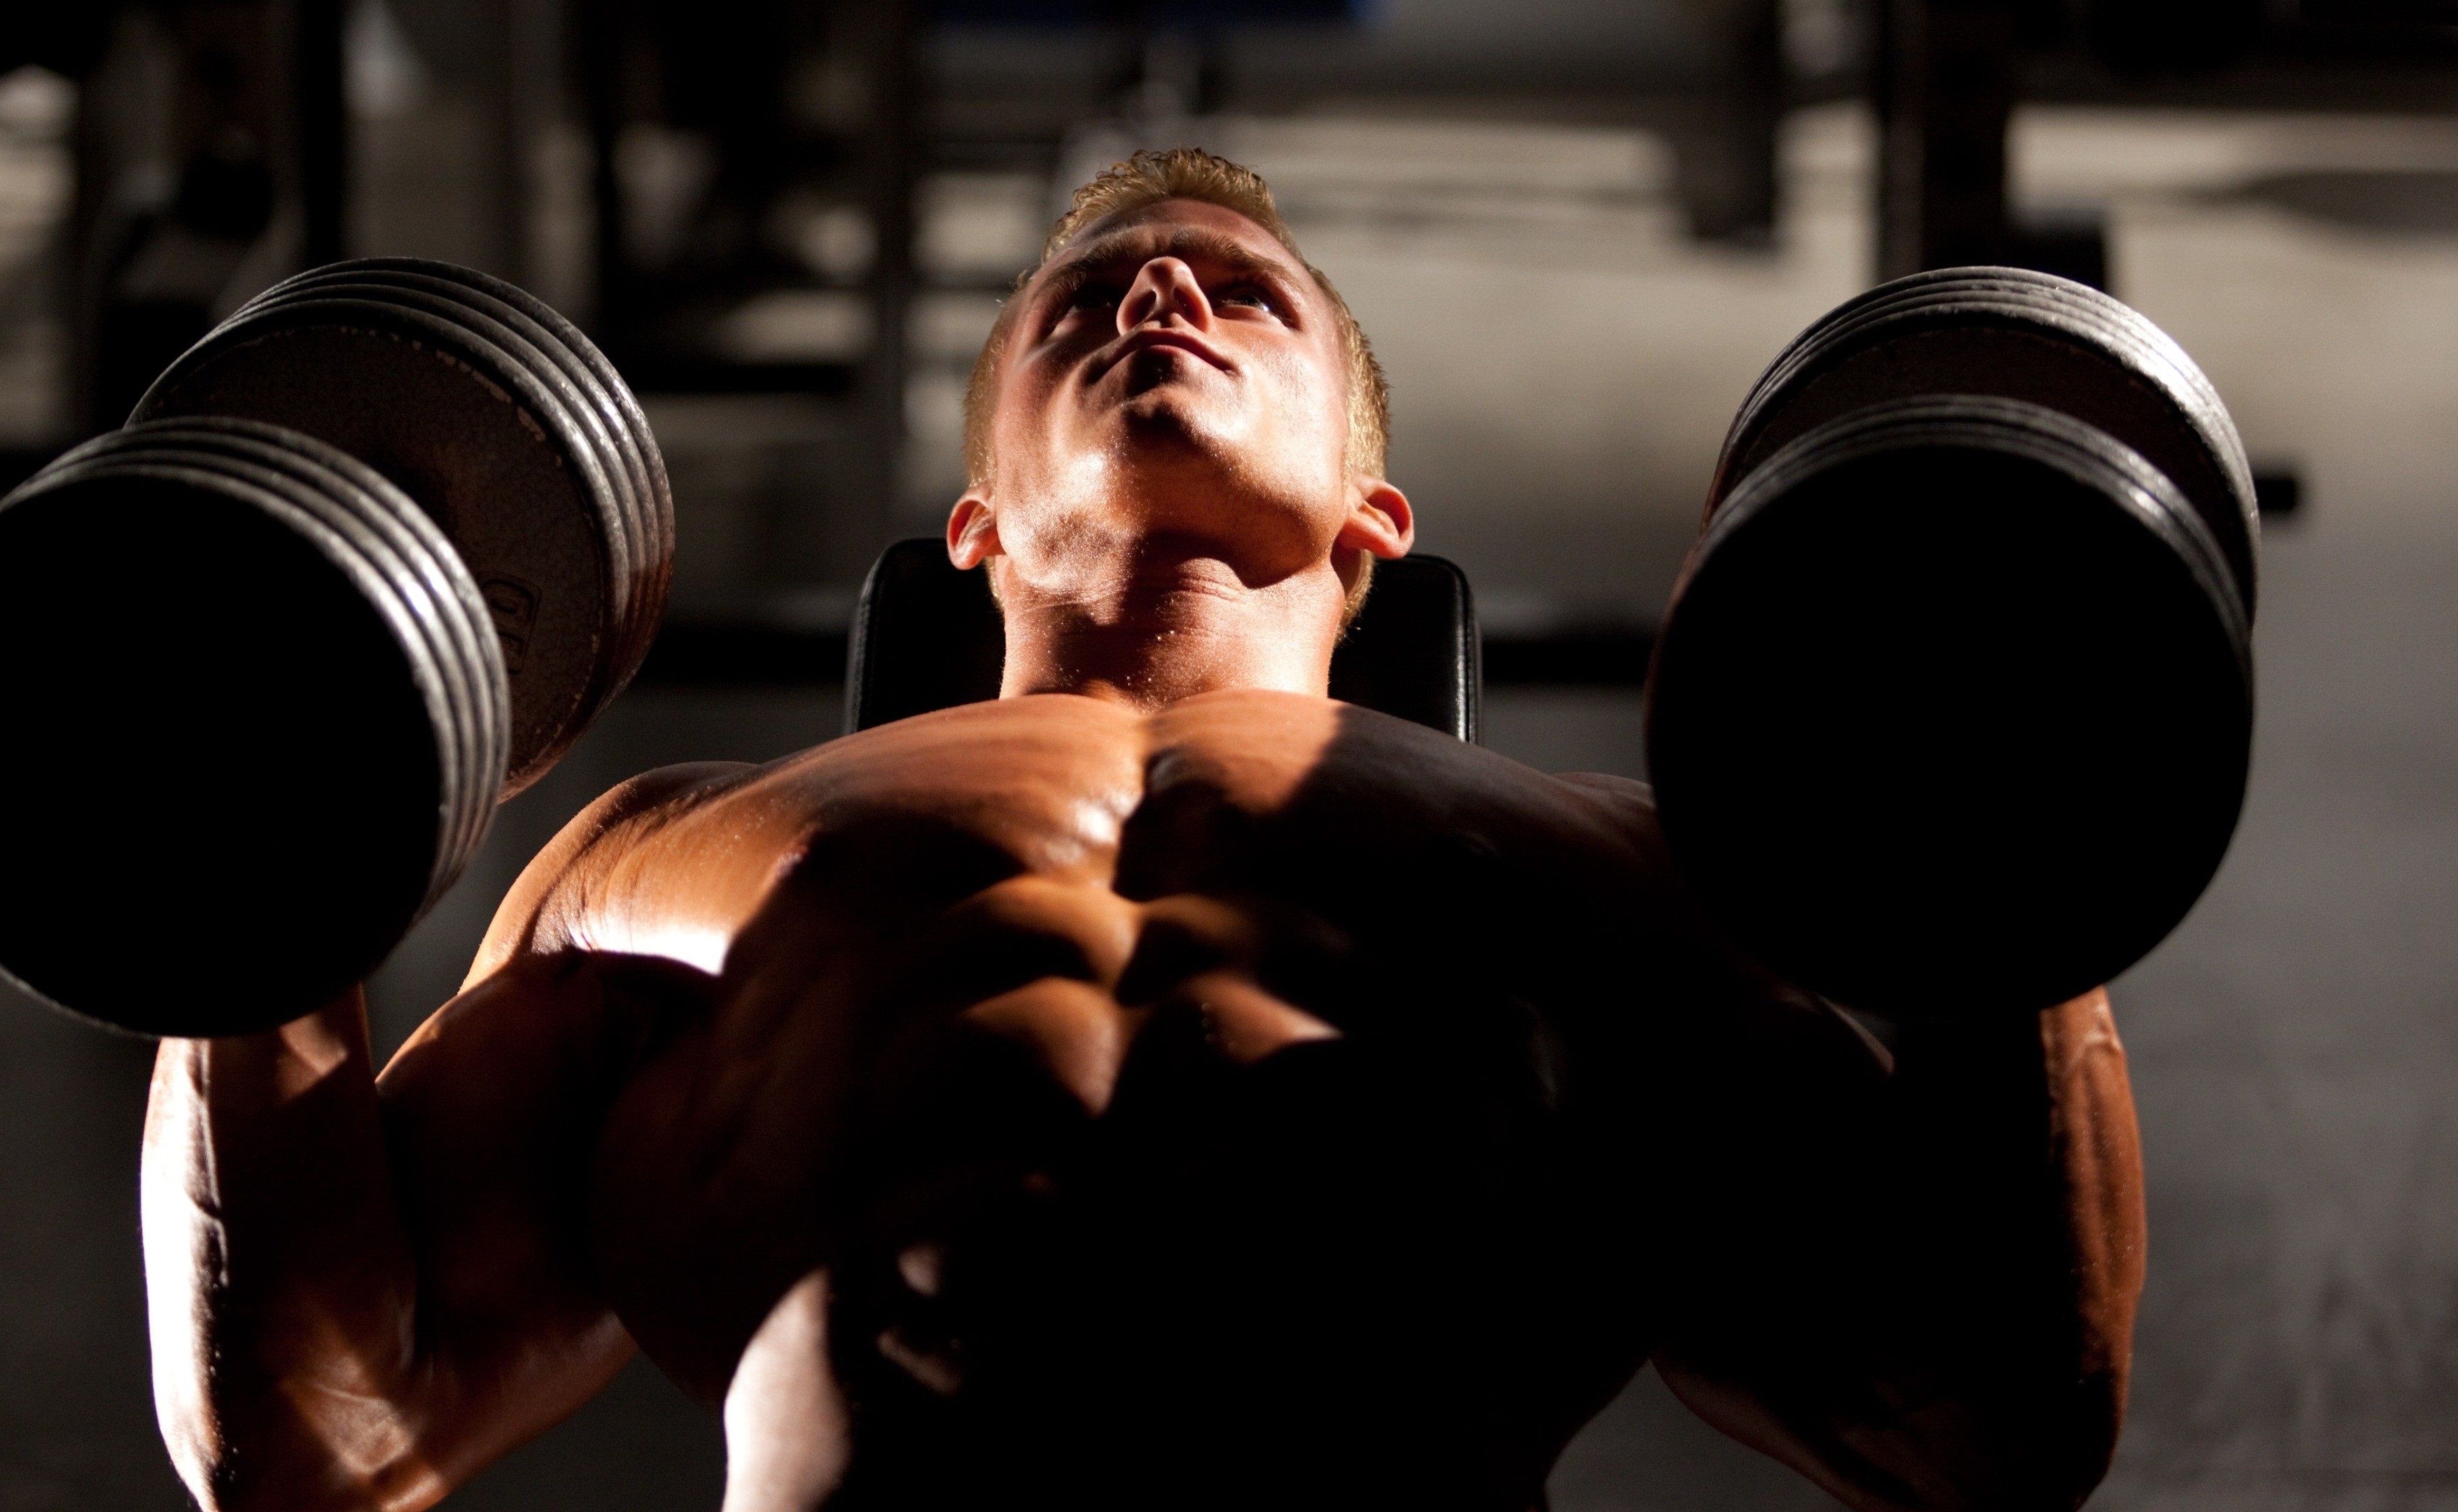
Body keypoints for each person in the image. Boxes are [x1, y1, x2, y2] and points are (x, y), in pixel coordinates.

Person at [139, 149, 2144, 1512]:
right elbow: (324, 1432)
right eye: (1089, 292)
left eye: (1244, 295)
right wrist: (250, 861)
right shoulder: (658, 848)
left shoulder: (1615, 866)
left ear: (1376, 526)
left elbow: (1978, 1423)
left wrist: (2010, 823)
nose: (1166, 287)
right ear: (977, 522)